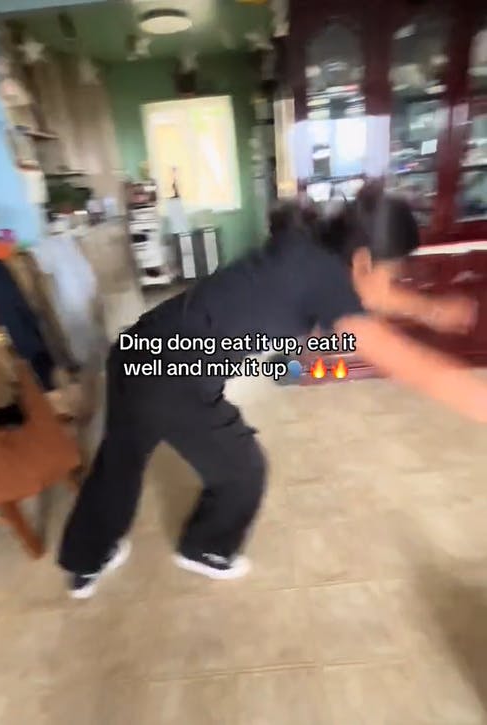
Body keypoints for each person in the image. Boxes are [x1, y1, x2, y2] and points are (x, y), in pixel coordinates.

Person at [59, 185, 485, 599]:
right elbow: (416, 368)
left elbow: (377, 294)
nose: (395, 282)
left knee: (119, 460)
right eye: (394, 272)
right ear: (361, 262)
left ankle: (85, 560)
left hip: (139, 347)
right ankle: (206, 548)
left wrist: (429, 310)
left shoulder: (311, 247)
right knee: (243, 471)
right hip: (177, 377)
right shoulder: (327, 283)